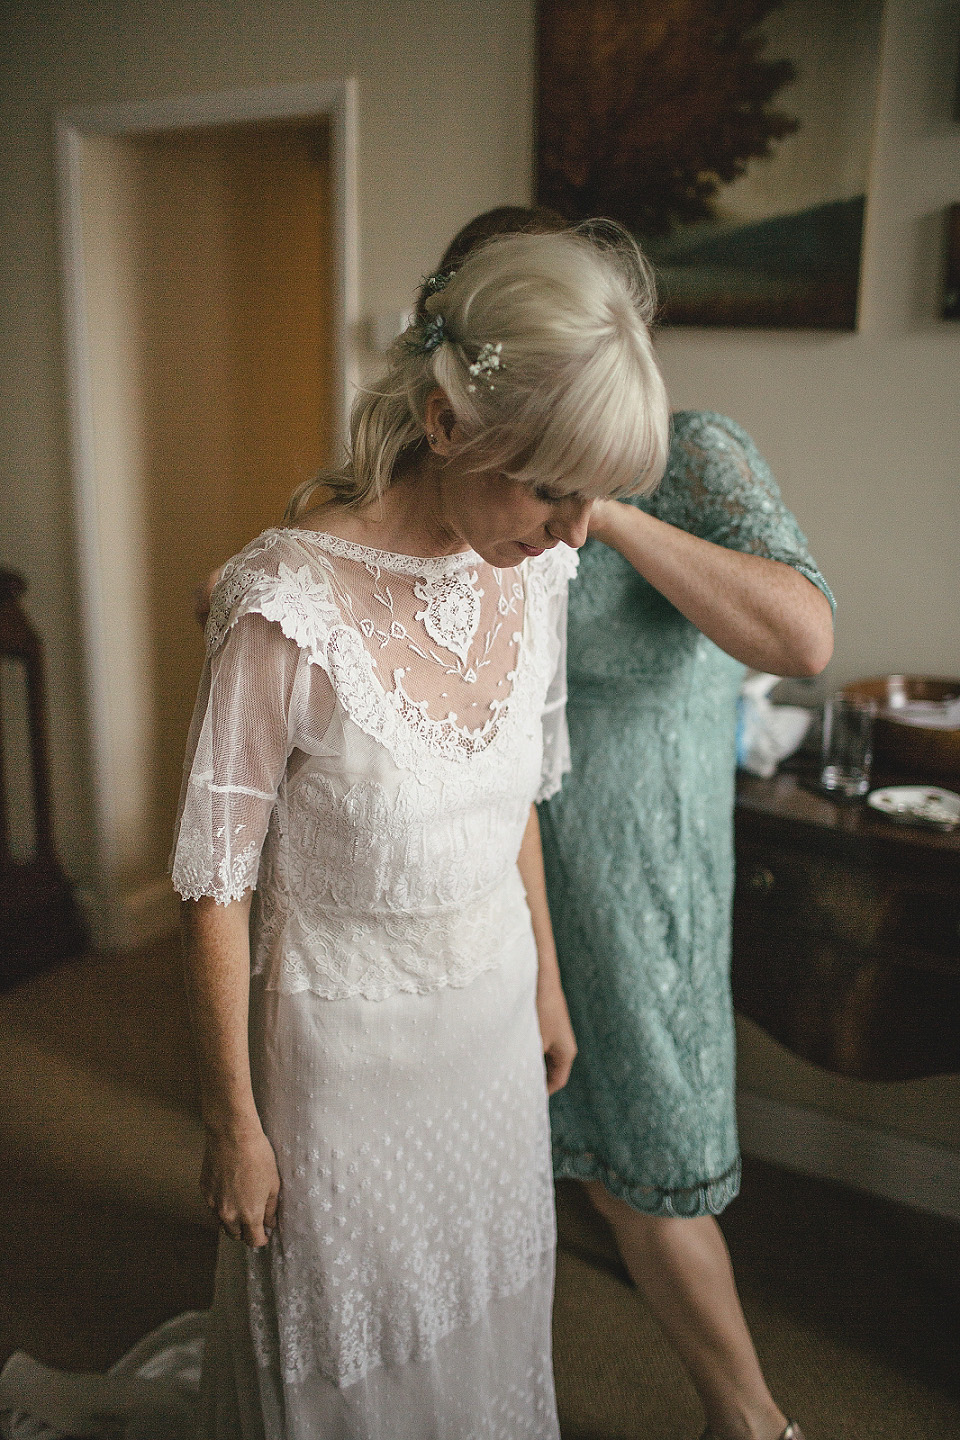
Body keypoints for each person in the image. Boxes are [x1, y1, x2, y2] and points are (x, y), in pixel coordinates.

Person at [169, 224, 670, 1440]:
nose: (575, 532)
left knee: (488, 1318)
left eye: (593, 495)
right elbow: (215, 882)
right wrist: (233, 1122)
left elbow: (520, 811)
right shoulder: (283, 610)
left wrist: (547, 985)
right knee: (350, 1364)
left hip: (490, 1032)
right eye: (550, 487)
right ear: (449, 427)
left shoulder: (537, 577)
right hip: (342, 1069)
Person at [424, 208, 834, 1440]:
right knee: (516, 1163)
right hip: (499, 854)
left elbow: (805, 635)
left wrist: (604, 500)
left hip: (639, 868)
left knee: (649, 1170)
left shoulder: (696, 453)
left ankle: (751, 1420)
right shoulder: (474, 470)